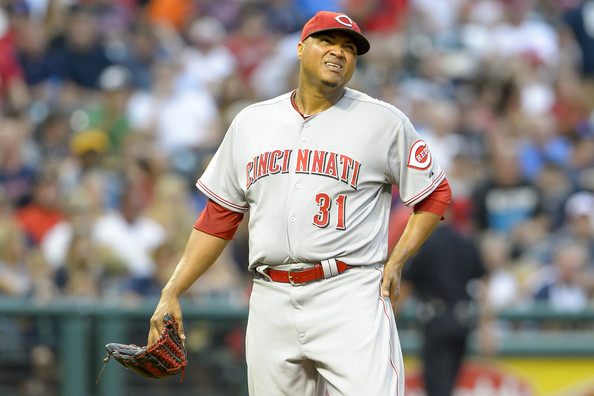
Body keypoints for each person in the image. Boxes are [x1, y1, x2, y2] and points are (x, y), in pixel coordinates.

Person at [147, 11, 451, 395]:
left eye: (349, 48)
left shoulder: (383, 121)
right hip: (270, 296)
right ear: (300, 48)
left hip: (349, 291)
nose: (339, 53)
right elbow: (219, 217)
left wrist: (398, 259)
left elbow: (435, 194)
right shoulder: (251, 122)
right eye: (328, 41)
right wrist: (172, 290)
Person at [401, 212, 488, 396]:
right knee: (448, 385)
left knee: (437, 387)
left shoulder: (425, 244)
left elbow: (406, 287)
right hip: (462, 321)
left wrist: (392, 320)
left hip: (436, 321)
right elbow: (484, 283)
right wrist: (485, 327)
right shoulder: (465, 241)